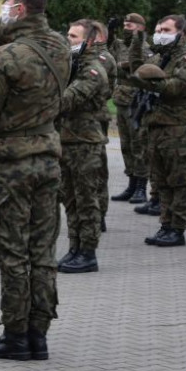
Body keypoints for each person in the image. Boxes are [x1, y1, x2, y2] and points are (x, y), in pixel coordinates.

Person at [0, 0, 68, 361]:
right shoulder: (60, 46)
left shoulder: (6, 57)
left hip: (10, 165)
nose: (3, 7)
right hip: (48, 157)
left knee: (11, 254)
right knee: (42, 252)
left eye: (7, 1)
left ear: (21, 9)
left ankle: (15, 335)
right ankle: (39, 335)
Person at [128, 14, 186, 247]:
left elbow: (174, 87)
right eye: (159, 29)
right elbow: (137, 67)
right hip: (157, 126)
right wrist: (137, 40)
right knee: (160, 182)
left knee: (178, 181)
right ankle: (165, 224)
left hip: (177, 127)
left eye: (167, 30)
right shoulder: (161, 57)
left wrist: (143, 81)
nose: (160, 34)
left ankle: (177, 228)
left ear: (180, 33)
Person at [57, 21, 109, 274]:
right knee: (70, 199)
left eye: (74, 36)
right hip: (66, 141)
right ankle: (74, 247)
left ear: (89, 40)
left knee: (86, 200)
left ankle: (88, 252)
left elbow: (69, 99)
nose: (69, 40)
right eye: (67, 35)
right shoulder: (70, 67)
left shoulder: (93, 71)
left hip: (85, 144)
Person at [109, 13, 151, 204]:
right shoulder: (118, 44)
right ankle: (132, 184)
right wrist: (109, 31)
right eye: (125, 24)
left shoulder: (145, 48)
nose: (126, 27)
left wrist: (126, 66)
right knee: (126, 145)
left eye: (131, 25)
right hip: (121, 101)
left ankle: (142, 186)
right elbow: (107, 50)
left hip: (136, 103)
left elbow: (145, 71)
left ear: (140, 28)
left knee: (139, 145)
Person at [84, 20, 116, 232]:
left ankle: (99, 212)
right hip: (80, 120)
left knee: (96, 169)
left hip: (95, 118)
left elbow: (100, 90)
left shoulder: (102, 58)